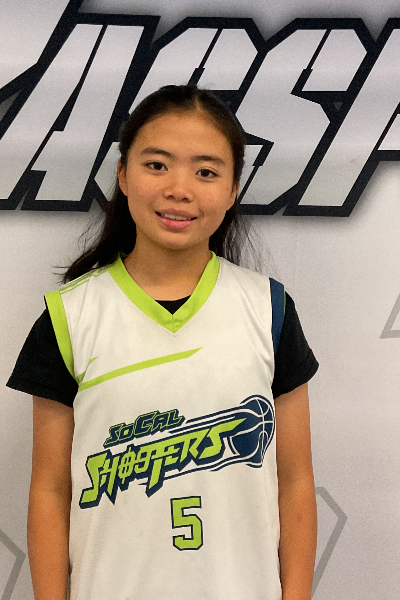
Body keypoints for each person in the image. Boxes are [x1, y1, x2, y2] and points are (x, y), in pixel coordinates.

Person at [7, 84, 318, 600]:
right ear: (123, 175)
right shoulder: (70, 316)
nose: (179, 189)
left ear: (233, 189)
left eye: (206, 172)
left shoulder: (270, 309)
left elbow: (296, 480)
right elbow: (50, 491)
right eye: (157, 165)